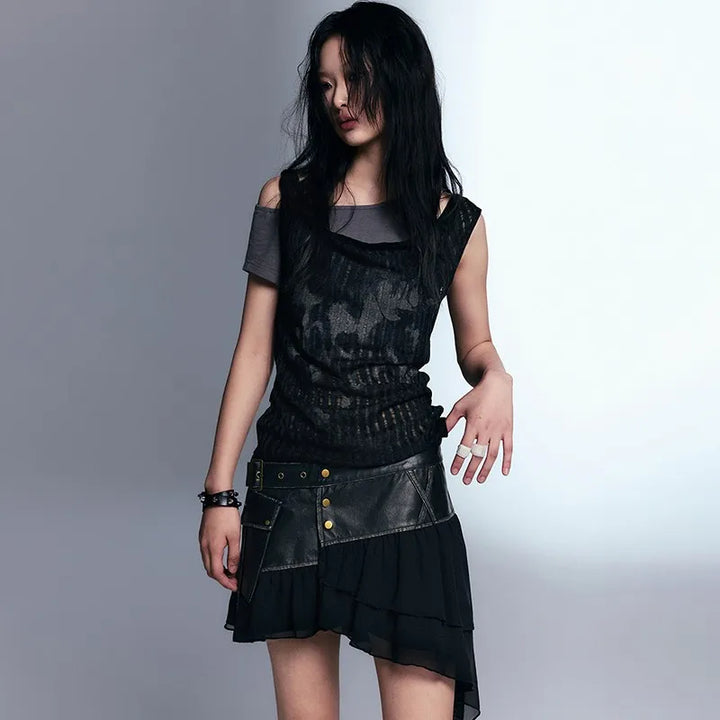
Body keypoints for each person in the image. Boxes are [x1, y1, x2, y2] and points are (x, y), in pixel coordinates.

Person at [198, 3, 513, 719]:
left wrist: (497, 377)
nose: (338, 99)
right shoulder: (285, 202)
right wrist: (219, 496)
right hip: (292, 494)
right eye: (326, 84)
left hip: (404, 495)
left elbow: (476, 346)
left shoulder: (456, 224)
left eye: (356, 79)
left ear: (401, 80)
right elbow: (253, 350)